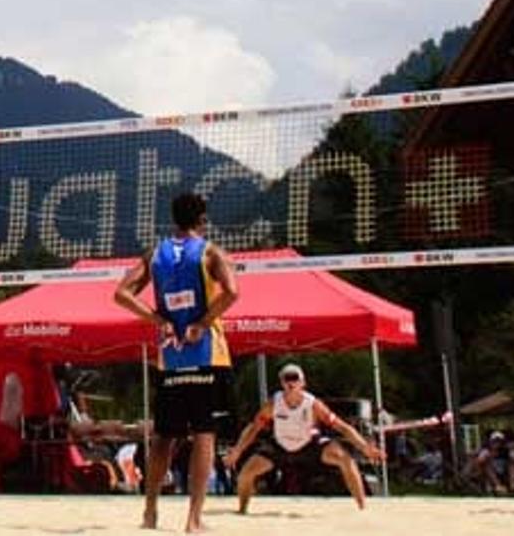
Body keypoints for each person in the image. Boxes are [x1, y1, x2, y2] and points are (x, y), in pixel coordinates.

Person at [113, 191, 239, 534]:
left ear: (173, 219)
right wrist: (201, 323)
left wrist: (158, 319)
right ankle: (193, 520)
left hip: (170, 357)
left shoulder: (156, 254)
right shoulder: (210, 252)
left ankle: (150, 513)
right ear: (202, 219)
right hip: (206, 354)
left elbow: (120, 294)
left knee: (164, 437)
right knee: (204, 435)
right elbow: (232, 291)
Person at [228, 364, 383, 511]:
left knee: (345, 459)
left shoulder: (313, 404)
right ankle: (242, 511)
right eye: (286, 379)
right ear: (282, 383)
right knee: (245, 474)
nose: (291, 383)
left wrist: (364, 447)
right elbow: (253, 428)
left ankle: (362, 507)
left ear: (302, 383)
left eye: (294, 378)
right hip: (280, 446)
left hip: (309, 445)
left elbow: (342, 426)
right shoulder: (273, 404)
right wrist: (237, 450)